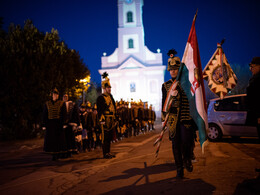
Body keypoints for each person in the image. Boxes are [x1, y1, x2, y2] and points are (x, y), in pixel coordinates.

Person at [161, 49, 196, 179]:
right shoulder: (165, 86)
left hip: (186, 118)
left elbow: (192, 99)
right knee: (175, 145)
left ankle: (187, 158)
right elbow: (163, 102)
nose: (173, 71)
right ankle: (179, 169)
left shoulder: (187, 83)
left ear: (179, 70)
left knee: (187, 142)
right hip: (173, 119)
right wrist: (164, 117)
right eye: (171, 69)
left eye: (175, 69)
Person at [42, 88, 67, 161]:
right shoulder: (47, 104)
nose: (55, 96)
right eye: (54, 94)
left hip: (58, 123)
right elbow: (44, 114)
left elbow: (63, 114)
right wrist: (44, 124)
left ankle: (58, 154)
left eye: (56, 94)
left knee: (58, 140)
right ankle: (53, 154)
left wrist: (64, 123)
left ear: (58, 96)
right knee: (51, 140)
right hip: (50, 124)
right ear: (51, 95)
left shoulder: (61, 103)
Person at [96, 72, 117, 159]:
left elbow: (114, 107)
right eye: (108, 88)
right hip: (105, 120)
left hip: (111, 119)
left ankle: (108, 152)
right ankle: (105, 153)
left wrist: (115, 118)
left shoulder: (111, 97)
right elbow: (100, 110)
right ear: (104, 89)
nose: (109, 89)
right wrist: (102, 120)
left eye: (110, 88)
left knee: (109, 138)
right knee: (105, 138)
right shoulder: (101, 98)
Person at [246, 57, 260, 140]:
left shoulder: (258, 79)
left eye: (252, 67)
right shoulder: (255, 79)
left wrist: (259, 116)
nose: (251, 69)